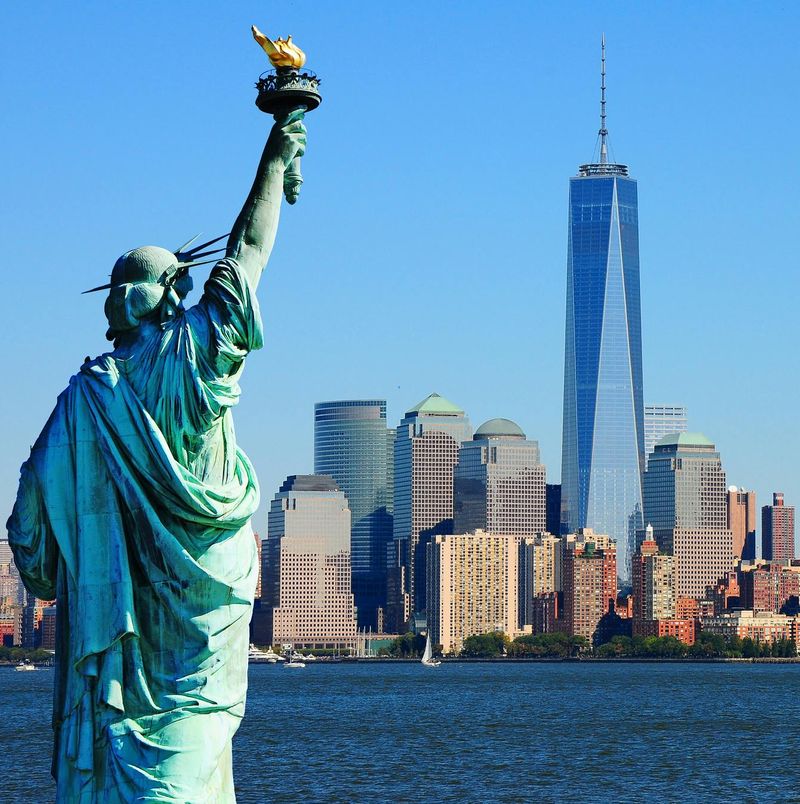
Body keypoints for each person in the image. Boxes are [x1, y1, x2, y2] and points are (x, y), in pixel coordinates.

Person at [7, 108, 307, 803]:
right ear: (173, 295)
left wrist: (67, 567)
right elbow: (246, 256)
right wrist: (277, 148)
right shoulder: (194, 359)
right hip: (203, 629)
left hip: (120, 643)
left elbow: (27, 532)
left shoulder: (84, 401)